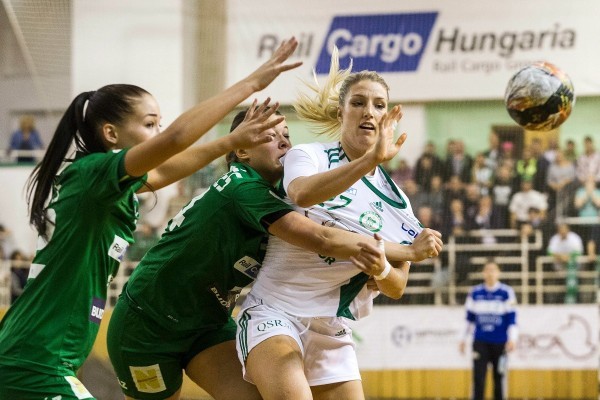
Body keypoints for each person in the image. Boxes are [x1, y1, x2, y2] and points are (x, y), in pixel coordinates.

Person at [0, 37, 303, 400]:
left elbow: (164, 170)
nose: (159, 133)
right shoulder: (92, 174)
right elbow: (176, 140)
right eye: (149, 124)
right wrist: (250, 86)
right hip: (35, 361)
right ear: (111, 133)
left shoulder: (110, 188)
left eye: (159, 124)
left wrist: (227, 143)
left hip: (42, 356)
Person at [106, 108, 439, 400]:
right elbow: (322, 238)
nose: (284, 143)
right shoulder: (242, 186)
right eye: (270, 136)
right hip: (147, 322)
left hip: (207, 324)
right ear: (241, 150)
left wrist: (374, 269)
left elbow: (340, 235)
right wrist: (409, 251)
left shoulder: (281, 194)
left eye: (287, 135)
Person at [236, 49, 443, 400]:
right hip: (274, 311)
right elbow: (302, 194)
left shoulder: (398, 204)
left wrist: (380, 268)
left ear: (388, 118)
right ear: (340, 113)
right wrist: (369, 161)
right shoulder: (309, 156)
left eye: (379, 105)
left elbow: (397, 286)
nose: (369, 111)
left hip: (331, 327)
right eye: (358, 103)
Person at [459, 260, 518, 400]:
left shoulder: (507, 292)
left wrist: (512, 339)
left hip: (500, 343)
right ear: (483, 273)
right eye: (487, 270)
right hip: (480, 342)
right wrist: (462, 339)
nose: (490, 273)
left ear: (498, 273)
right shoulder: (475, 292)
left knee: (499, 378)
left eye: (493, 270)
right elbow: (468, 319)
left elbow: (512, 319)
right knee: (478, 378)